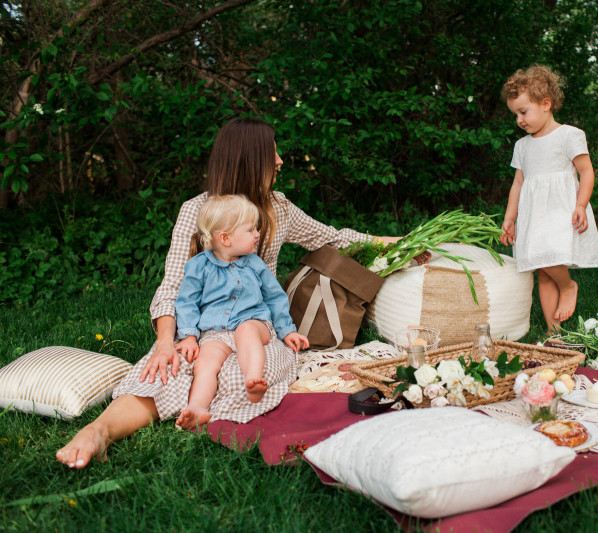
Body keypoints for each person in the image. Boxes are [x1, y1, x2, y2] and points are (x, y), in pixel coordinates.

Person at [56, 117, 398, 468]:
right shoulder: (197, 211)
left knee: (244, 374)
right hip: (204, 327)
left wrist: (394, 242)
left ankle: (200, 408)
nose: (280, 161)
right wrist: (165, 343)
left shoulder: (278, 208)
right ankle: (99, 431)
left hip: (257, 328)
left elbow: (332, 237)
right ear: (249, 159)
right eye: (272, 153)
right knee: (166, 369)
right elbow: (174, 285)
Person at [173, 194, 310, 430]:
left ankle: (253, 380)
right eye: (250, 230)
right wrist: (188, 335)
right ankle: (197, 407)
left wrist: (286, 330)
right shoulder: (198, 267)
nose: (257, 234)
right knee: (205, 362)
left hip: (254, 323)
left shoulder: (255, 264)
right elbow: (186, 303)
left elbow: (275, 297)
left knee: (246, 331)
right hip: (216, 331)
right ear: (225, 238)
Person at [499, 65, 598, 332]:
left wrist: (580, 204)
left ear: (546, 104)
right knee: (541, 270)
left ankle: (568, 286)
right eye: (515, 115)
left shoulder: (569, 135)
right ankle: (554, 331)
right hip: (534, 214)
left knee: (548, 257)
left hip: (560, 210)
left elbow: (586, 172)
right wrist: (510, 218)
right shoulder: (522, 146)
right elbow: (518, 183)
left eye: (523, 111)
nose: (519, 120)